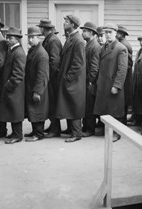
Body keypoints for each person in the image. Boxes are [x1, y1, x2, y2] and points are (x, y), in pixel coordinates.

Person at [93, 23, 128, 142]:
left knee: (115, 110)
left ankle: (116, 133)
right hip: (103, 84)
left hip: (112, 84)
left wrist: (117, 86)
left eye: (110, 32)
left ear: (115, 34)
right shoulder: (104, 47)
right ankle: (107, 130)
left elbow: (122, 69)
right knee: (105, 109)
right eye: (106, 32)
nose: (107, 35)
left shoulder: (120, 48)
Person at [55, 15, 86, 143]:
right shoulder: (71, 38)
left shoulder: (78, 40)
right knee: (68, 105)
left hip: (74, 81)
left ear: (73, 24)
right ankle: (70, 130)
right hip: (69, 80)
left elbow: (78, 64)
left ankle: (76, 133)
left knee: (74, 106)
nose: (64, 23)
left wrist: (68, 78)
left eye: (67, 21)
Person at [0, 27, 26, 144]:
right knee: (12, 110)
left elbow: (18, 74)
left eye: (10, 38)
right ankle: (15, 133)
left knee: (16, 111)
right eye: (7, 37)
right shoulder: (13, 50)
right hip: (12, 87)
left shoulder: (18, 52)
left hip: (15, 88)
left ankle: (18, 135)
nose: (7, 40)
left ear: (17, 39)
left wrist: (9, 85)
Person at [38, 19, 63, 138]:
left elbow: (55, 62)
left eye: (41, 28)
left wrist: (48, 77)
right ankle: (53, 126)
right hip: (50, 78)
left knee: (53, 104)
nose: (40, 30)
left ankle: (55, 129)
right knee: (51, 103)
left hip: (53, 79)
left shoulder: (53, 41)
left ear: (43, 29)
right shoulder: (49, 39)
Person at [24, 27, 49, 142]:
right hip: (31, 86)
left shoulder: (41, 53)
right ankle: (35, 131)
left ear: (38, 38)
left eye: (32, 37)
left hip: (38, 88)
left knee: (38, 111)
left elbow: (42, 75)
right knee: (33, 111)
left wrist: (38, 91)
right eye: (29, 37)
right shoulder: (33, 50)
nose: (30, 40)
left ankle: (39, 134)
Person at [80, 21, 101, 137]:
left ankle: (90, 129)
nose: (83, 33)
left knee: (89, 107)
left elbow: (94, 67)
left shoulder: (95, 46)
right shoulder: (88, 44)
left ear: (92, 33)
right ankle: (85, 126)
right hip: (87, 81)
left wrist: (89, 80)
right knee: (86, 106)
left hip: (91, 82)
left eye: (85, 31)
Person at [116, 25, 133, 125]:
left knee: (123, 104)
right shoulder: (122, 43)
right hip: (124, 78)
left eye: (117, 33)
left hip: (125, 79)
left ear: (121, 34)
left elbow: (129, 64)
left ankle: (122, 125)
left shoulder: (124, 45)